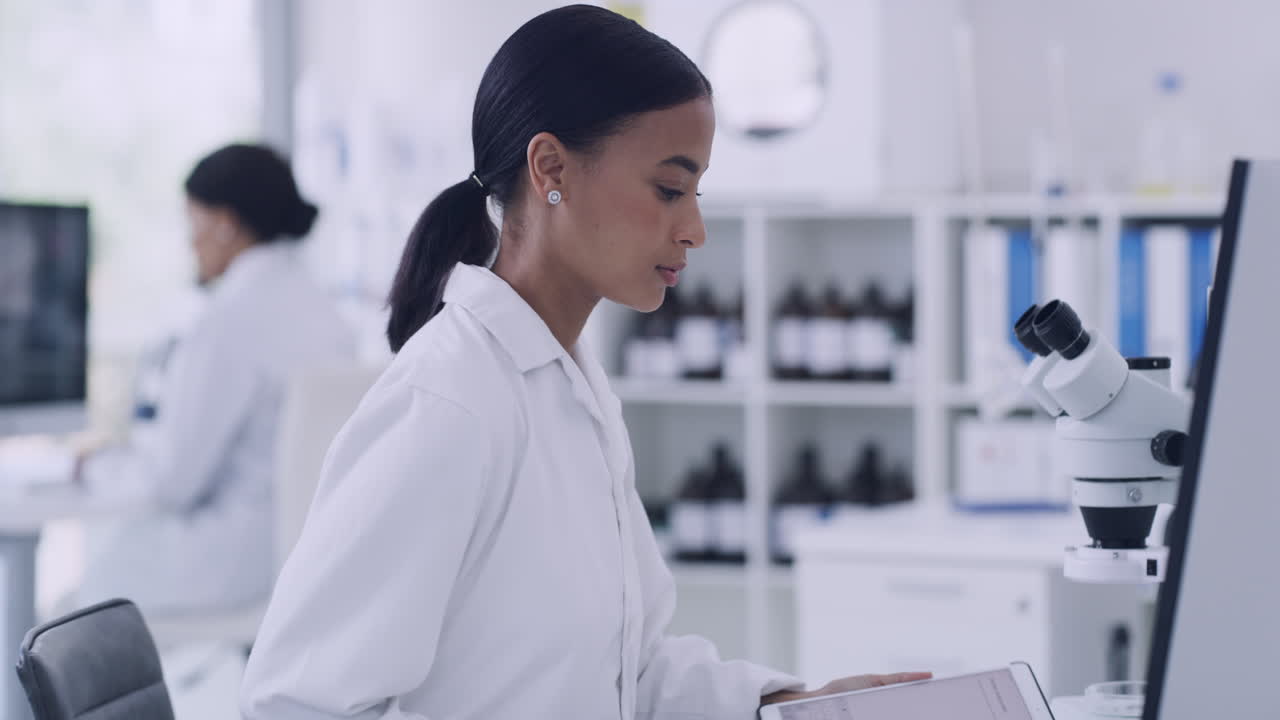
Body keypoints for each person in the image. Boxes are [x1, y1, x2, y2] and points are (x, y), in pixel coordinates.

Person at [241, 6, 927, 718]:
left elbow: (630, 670)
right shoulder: (450, 403)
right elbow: (293, 704)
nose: (692, 230)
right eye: (668, 189)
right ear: (551, 169)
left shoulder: (575, 390)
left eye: (695, 195)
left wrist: (794, 702)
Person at [75, 143, 356, 615]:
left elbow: (174, 483)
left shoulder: (224, 322)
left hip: (236, 562)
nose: (190, 243)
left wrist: (98, 467)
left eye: (194, 223)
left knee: (81, 598)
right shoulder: (328, 315)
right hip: (313, 555)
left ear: (225, 224)